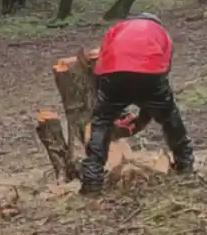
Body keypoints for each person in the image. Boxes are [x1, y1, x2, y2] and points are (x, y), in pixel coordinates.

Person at [79, 12, 193, 195]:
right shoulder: (162, 33)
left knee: (101, 123)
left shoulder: (117, 29)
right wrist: (145, 116)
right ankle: (185, 164)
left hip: (113, 73)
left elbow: (101, 64)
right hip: (150, 74)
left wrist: (109, 109)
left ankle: (92, 180)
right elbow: (162, 74)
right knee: (170, 117)